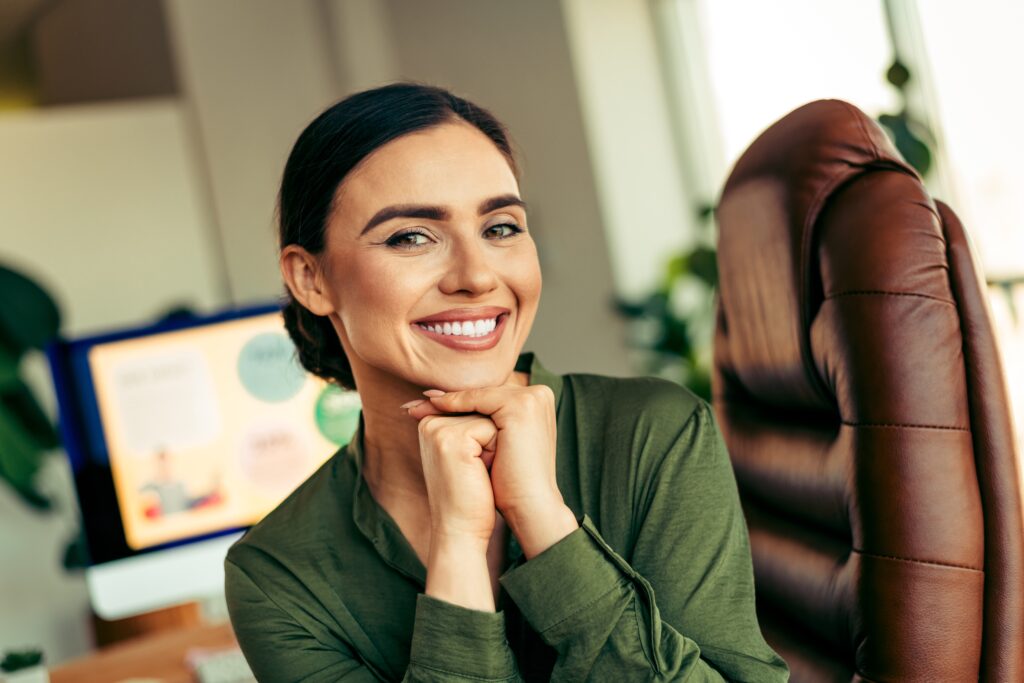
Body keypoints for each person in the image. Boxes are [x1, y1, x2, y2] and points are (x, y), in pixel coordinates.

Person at [225, 83, 788, 682]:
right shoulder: (277, 575)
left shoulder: (653, 434)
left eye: (500, 228)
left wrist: (544, 520)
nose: (476, 275)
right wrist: (459, 543)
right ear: (311, 278)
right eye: (411, 236)